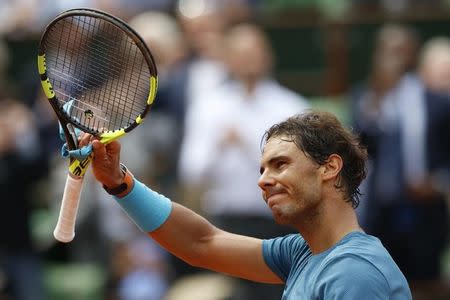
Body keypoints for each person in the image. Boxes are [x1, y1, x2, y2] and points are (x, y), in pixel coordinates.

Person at [81, 110, 411, 299]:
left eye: (280, 164)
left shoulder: (354, 273)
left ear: (329, 167)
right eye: (262, 169)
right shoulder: (302, 254)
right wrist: (118, 182)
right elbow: (202, 243)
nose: (263, 180)